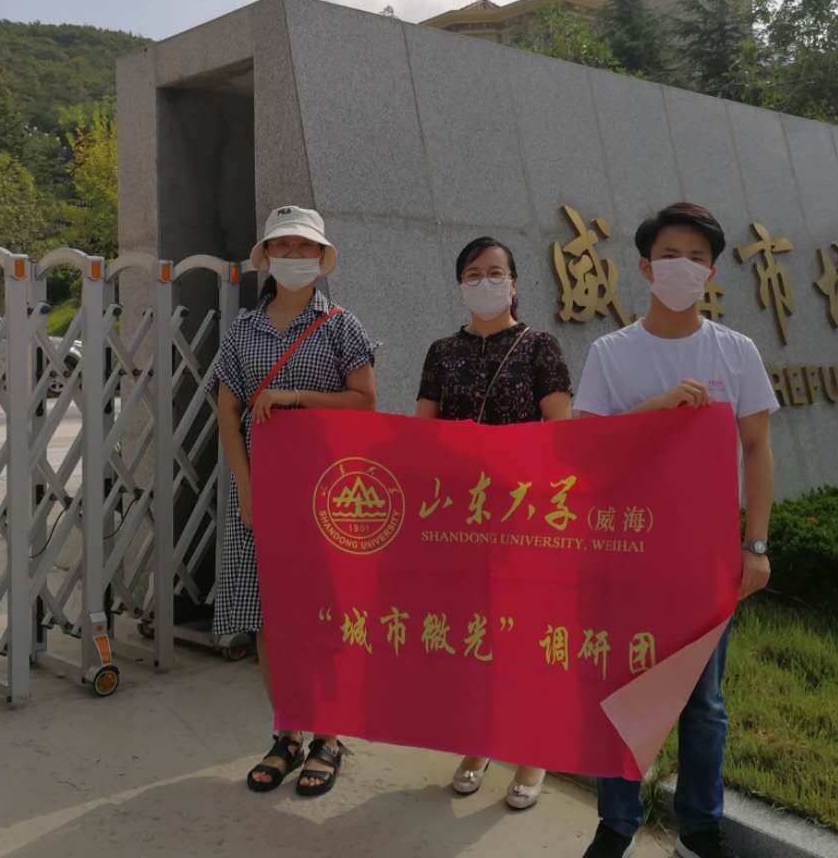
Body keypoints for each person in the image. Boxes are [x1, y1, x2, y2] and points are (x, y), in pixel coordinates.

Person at [572, 202, 777, 858]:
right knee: (622, 691)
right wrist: (655, 409)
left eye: (696, 258)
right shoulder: (611, 353)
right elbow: (585, 451)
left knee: (702, 703)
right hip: (625, 552)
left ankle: (699, 828)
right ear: (644, 267)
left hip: (703, 560)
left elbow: (757, 450)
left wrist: (756, 546)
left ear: (711, 272)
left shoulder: (735, 351)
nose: (682, 268)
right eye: (669, 256)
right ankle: (617, 823)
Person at [214, 205, 377, 798]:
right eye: (282, 246)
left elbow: (365, 401)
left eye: (303, 246)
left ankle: (329, 737)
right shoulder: (243, 331)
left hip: (327, 498)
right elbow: (227, 416)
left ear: (321, 257)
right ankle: (287, 732)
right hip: (262, 499)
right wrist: (246, 491)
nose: (293, 255)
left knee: (324, 615)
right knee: (270, 618)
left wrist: (295, 395)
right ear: (266, 257)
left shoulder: (340, 325)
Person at [415, 236, 574, 811]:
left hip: (523, 520)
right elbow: (424, 434)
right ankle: (478, 743)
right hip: (462, 521)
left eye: (495, 272)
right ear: (461, 284)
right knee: (473, 639)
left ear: (514, 283)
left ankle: (532, 754)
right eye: (473, 274)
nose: (485, 282)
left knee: (525, 639)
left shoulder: (539, 348)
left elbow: (561, 433)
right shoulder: (441, 352)